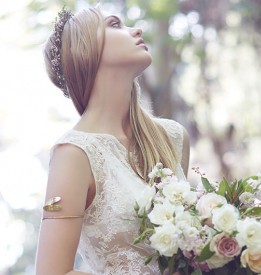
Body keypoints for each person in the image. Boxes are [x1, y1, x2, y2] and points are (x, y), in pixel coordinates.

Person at [35, 5, 190, 275]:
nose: (137, 30)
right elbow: (51, 272)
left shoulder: (173, 138)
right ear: (84, 49)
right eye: (115, 25)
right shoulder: (73, 154)